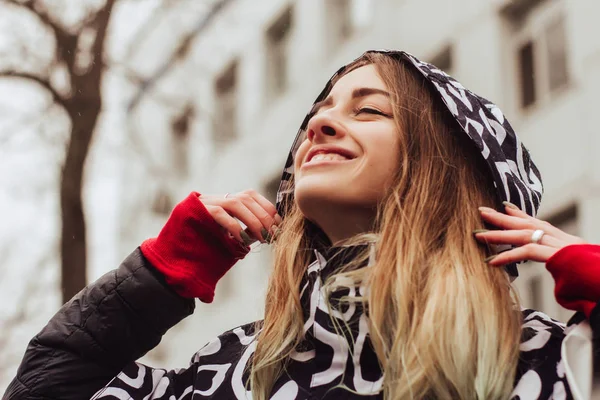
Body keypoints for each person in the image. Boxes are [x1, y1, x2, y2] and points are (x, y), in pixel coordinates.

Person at [4, 50, 599, 400]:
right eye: (318, 114)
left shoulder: (549, 361)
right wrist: (160, 275)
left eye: (368, 110)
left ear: (448, 169)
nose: (319, 126)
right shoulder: (233, 371)